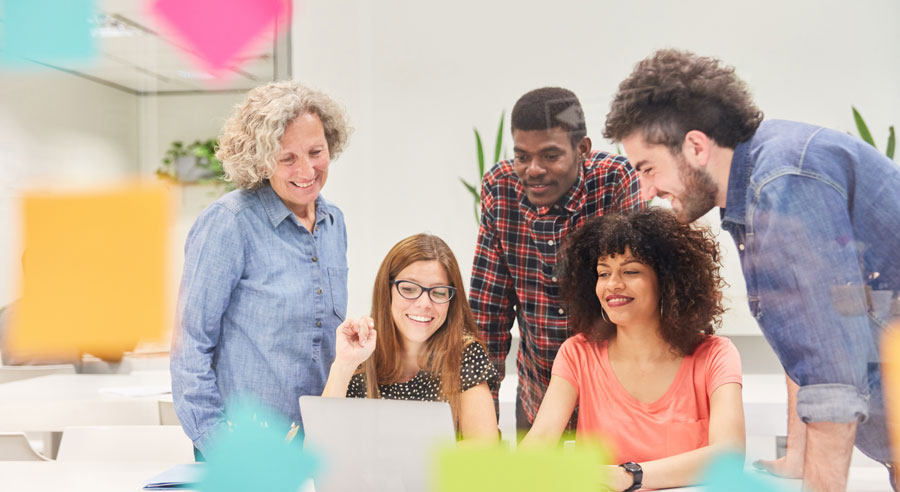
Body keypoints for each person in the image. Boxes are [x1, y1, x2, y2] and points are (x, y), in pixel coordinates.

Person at [604, 49, 900, 492]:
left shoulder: (781, 186)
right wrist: (800, 458)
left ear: (696, 147)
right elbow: (815, 338)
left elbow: (832, 383)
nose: (646, 191)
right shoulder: (763, 179)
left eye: (648, 168)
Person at [170, 81, 352, 457]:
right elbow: (190, 346)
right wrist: (217, 444)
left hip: (319, 440)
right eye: (288, 158)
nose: (307, 170)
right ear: (260, 158)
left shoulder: (334, 222)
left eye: (316, 152)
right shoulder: (229, 223)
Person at [521, 208, 745, 491]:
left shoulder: (715, 356)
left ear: (667, 281)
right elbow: (538, 443)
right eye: (603, 273)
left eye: (630, 271)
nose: (613, 284)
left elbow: (730, 455)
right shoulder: (577, 354)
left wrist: (629, 476)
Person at [469, 87, 643, 434]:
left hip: (611, 402)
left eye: (550, 156)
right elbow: (488, 312)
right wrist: (481, 427)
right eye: (522, 156)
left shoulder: (614, 181)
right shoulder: (500, 189)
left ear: (582, 150)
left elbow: (636, 298)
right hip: (537, 396)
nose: (533, 170)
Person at [322, 234, 499, 441]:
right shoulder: (362, 351)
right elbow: (319, 451)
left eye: (439, 292)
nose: (424, 303)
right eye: (408, 289)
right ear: (387, 291)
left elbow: (482, 458)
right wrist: (344, 364)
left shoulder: (465, 354)